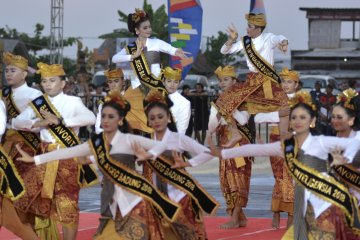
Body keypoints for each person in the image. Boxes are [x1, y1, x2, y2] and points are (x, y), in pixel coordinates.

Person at [16, 92, 178, 240]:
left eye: (110, 117)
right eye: (104, 116)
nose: (105, 121)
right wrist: (35, 160)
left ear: (120, 119)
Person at [209, 91, 360, 239]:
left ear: (312, 121)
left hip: (328, 206)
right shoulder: (287, 146)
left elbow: (353, 145)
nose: (297, 121)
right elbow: (257, 149)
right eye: (293, 117)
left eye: (303, 117)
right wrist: (223, 154)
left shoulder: (321, 142)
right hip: (304, 206)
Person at [12, 62, 97, 240]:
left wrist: (61, 121)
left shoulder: (73, 101)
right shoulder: (38, 103)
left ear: (63, 84)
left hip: (67, 159)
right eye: (44, 81)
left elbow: (91, 118)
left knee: (67, 204)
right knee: (27, 201)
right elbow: (17, 122)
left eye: (52, 80)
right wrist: (36, 124)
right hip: (42, 156)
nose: (48, 84)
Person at [137, 89, 216, 239]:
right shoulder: (144, 141)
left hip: (179, 196)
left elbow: (207, 153)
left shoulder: (178, 138)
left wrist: (187, 164)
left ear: (168, 118)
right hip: (156, 199)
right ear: (148, 121)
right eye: (152, 118)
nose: (156, 121)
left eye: (160, 116)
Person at [112, 8, 188, 134]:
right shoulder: (131, 48)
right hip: (137, 87)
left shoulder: (156, 43)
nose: (149, 30)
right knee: (124, 108)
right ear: (137, 31)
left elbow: (169, 48)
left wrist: (176, 51)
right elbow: (115, 58)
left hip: (155, 86)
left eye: (149, 27)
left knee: (158, 116)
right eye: (145, 28)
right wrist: (132, 57)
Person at [220, 12, 289, 138]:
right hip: (251, 80)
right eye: (247, 26)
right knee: (232, 102)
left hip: (267, 79)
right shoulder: (245, 41)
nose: (247, 29)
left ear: (258, 29)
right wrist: (231, 39)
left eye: (250, 26)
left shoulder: (268, 38)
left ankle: (278, 131)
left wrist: (284, 42)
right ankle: (239, 128)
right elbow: (224, 51)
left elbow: (279, 37)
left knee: (282, 108)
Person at [1, 52, 42, 239]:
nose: (8, 73)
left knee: (23, 198)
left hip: (27, 149)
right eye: (6, 70)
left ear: (24, 74)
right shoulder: (3, 94)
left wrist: (18, 123)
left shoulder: (35, 94)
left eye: (13, 70)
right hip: (6, 147)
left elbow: (37, 122)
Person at [208, 65, 252, 229]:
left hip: (240, 144)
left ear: (234, 81)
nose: (223, 83)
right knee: (226, 181)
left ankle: (234, 218)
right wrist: (219, 111)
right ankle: (240, 217)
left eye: (226, 79)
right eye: (221, 81)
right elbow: (211, 126)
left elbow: (243, 121)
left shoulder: (243, 99)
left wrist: (230, 106)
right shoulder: (217, 102)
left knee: (238, 181)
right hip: (225, 144)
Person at [254, 68, 298, 229]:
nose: (286, 85)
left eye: (289, 82)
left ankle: (289, 213)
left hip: (293, 141)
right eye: (283, 81)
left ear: (296, 84)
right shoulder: (275, 100)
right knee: (279, 177)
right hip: (275, 139)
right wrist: (278, 114)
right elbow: (258, 117)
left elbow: (310, 122)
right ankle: (277, 212)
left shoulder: (302, 100)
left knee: (290, 177)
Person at [95, 68, 125, 134]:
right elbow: (98, 127)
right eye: (110, 82)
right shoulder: (103, 102)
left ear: (123, 82)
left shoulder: (130, 99)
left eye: (116, 81)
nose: (113, 85)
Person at [162, 67, 191, 134]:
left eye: (176, 82)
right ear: (163, 82)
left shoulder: (184, 103)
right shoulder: (156, 97)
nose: (172, 85)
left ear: (179, 83)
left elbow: (181, 130)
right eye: (169, 81)